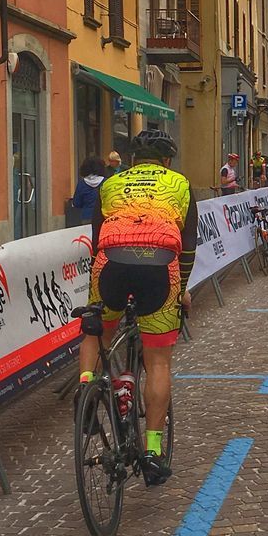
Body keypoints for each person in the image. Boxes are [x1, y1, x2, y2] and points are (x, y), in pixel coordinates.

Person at [80, 129, 196, 485]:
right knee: (158, 362)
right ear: (166, 161)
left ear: (131, 160)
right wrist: (184, 290)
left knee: (94, 328)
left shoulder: (110, 184)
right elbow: (188, 247)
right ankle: (152, 450)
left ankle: (86, 389)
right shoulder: (180, 184)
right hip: (160, 268)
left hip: (111, 265)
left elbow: (96, 239)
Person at [70, 156, 105, 223]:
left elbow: (76, 203)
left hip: (87, 216)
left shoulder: (82, 184)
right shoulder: (106, 182)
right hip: (102, 216)